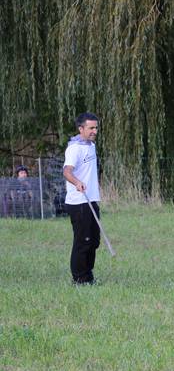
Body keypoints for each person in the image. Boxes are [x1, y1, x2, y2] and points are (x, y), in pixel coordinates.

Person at [63, 112, 101, 285]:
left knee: (94, 240)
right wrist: (77, 182)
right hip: (78, 203)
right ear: (81, 129)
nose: (95, 131)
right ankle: (79, 279)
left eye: (96, 127)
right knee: (83, 241)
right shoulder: (74, 148)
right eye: (91, 128)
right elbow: (67, 171)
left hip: (92, 200)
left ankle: (88, 275)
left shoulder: (91, 145)